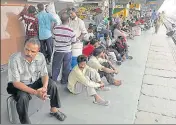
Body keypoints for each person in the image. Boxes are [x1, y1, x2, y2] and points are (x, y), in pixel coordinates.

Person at [6, 37, 66, 124]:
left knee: (52, 84)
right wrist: (36, 93)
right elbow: (16, 83)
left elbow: (44, 74)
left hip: (33, 81)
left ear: (38, 50)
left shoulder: (41, 56)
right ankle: (25, 122)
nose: (29, 53)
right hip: (18, 85)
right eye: (27, 49)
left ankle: (54, 109)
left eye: (33, 51)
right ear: (24, 47)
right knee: (22, 97)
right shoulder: (14, 59)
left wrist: (44, 87)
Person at [52, 12, 76, 84]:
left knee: (56, 66)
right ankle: (64, 81)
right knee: (66, 67)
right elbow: (73, 41)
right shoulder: (71, 31)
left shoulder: (55, 28)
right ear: (68, 20)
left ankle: (53, 81)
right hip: (67, 51)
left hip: (58, 51)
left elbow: (53, 38)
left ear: (60, 19)